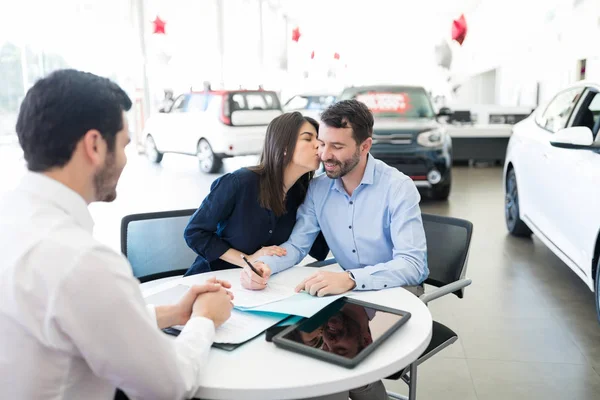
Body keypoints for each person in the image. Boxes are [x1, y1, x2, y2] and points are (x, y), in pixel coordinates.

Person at [0, 69, 234, 400]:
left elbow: (78, 323)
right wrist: (204, 319)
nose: (125, 158)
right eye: (124, 144)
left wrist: (175, 313)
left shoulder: (11, 217)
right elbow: (170, 385)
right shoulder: (81, 260)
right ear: (94, 145)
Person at [243, 99, 428, 298]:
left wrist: (351, 279)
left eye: (337, 147)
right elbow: (297, 246)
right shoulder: (317, 188)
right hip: (348, 292)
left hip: (398, 290)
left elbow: (413, 265)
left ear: (365, 146)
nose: (324, 155)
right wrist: (264, 266)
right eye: (322, 144)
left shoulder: (398, 187)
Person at [183, 112, 329, 284]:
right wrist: (248, 260)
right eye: (308, 138)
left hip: (261, 285)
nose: (318, 145)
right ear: (284, 147)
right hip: (212, 280)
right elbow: (195, 233)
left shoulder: (303, 194)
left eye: (319, 139)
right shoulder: (240, 182)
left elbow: (318, 250)